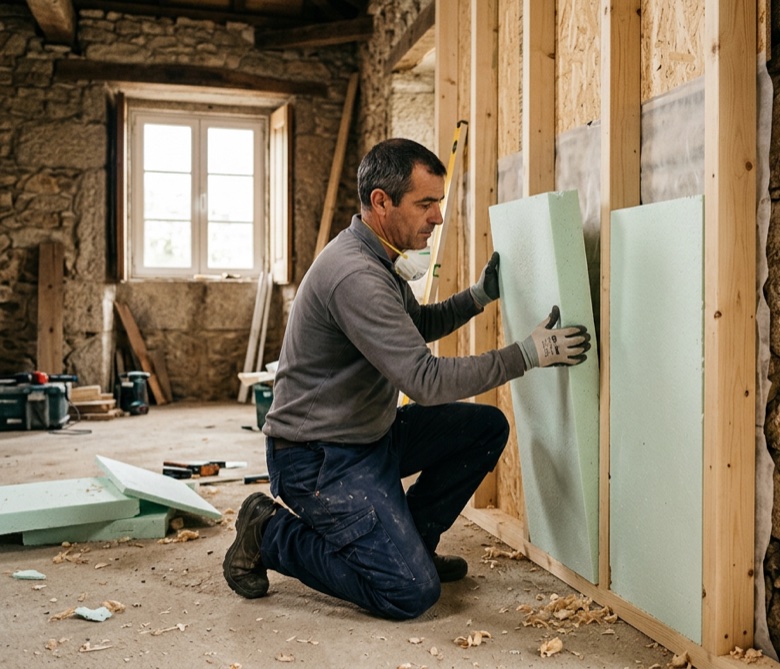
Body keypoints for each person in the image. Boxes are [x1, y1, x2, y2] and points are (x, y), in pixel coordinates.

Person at [222, 137, 591, 620]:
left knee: (484, 429)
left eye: (438, 202)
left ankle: (411, 542)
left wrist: (477, 296)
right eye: (426, 203)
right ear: (381, 201)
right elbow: (426, 381)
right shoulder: (355, 274)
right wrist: (527, 354)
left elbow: (412, 327)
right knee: (408, 593)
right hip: (317, 459)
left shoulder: (380, 255)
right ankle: (268, 533)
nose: (437, 216)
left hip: (368, 435)